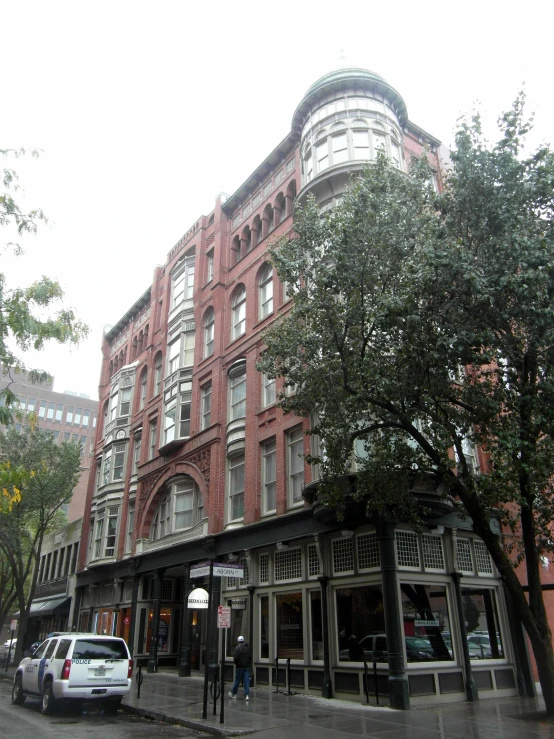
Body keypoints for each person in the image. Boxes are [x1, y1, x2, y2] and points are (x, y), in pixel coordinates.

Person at [228, 635, 251, 701]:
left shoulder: (237, 648)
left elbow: (235, 658)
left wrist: (237, 664)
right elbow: (250, 658)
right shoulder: (247, 648)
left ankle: (233, 693)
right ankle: (246, 695)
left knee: (237, 680)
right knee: (246, 681)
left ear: (238, 641)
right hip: (246, 667)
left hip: (240, 667)